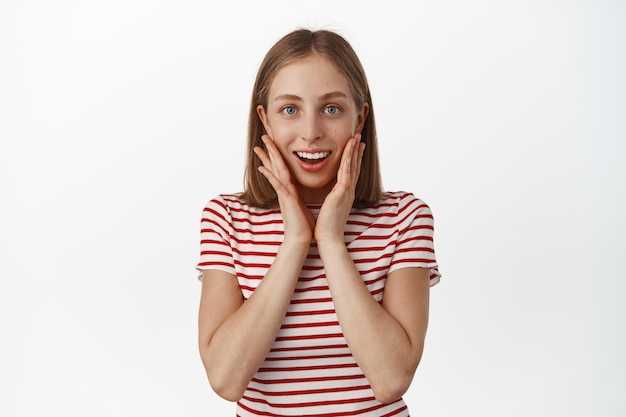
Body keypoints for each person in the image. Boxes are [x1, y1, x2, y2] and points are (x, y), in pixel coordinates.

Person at [196, 28, 441, 416]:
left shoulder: (405, 217)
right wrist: (295, 240)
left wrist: (330, 239)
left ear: (359, 118)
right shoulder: (227, 218)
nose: (311, 133)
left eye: (331, 108)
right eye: (290, 109)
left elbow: (391, 377)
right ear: (266, 121)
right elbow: (226, 379)